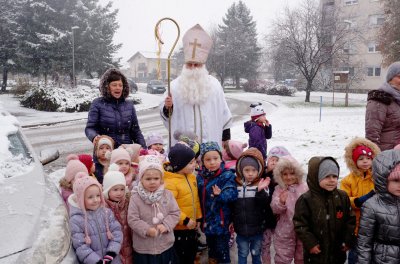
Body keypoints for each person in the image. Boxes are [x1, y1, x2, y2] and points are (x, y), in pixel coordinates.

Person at [160, 24, 232, 148]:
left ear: (203, 66)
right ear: (185, 65)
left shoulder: (214, 85)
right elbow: (165, 115)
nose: (193, 68)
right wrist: (167, 108)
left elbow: (223, 111)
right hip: (183, 146)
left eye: (197, 64)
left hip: (210, 147)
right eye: (190, 64)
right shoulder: (174, 87)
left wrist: (226, 136)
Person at [293, 157, 356, 264]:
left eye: (335, 176)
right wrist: (310, 243)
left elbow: (350, 220)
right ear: (315, 177)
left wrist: (347, 240)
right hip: (316, 254)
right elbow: (300, 224)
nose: (332, 180)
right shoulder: (306, 200)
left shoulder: (342, 197)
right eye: (326, 176)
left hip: (337, 252)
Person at [127, 155, 180, 264]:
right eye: (148, 179)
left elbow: (175, 213)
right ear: (141, 179)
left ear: (161, 179)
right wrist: (146, 229)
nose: (152, 182)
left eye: (156, 178)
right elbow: (132, 219)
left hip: (165, 245)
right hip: (143, 247)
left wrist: (166, 225)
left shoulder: (167, 195)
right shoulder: (135, 198)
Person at [340, 137, 380, 264]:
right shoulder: (348, 180)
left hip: (374, 224)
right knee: (356, 255)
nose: (365, 162)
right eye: (361, 159)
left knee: (373, 254)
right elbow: (344, 199)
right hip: (356, 226)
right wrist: (359, 200)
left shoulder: (377, 177)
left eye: (368, 158)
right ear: (353, 161)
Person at [197, 141, 238, 264]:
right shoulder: (200, 177)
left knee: (223, 251)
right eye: (208, 159)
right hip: (207, 222)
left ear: (221, 158)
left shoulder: (227, 176)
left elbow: (232, 195)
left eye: (215, 158)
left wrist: (220, 195)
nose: (212, 162)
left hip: (222, 223)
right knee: (212, 249)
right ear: (202, 162)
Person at [357, 149, 400, 263]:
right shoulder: (371, 206)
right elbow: (364, 242)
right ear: (383, 179)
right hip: (383, 259)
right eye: (396, 180)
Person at [69, 172, 123, 264]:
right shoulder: (76, 220)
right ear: (80, 198)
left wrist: (111, 253)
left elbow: (117, 232)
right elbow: (80, 245)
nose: (96, 200)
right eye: (90, 197)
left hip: (112, 260)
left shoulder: (106, 213)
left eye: (98, 195)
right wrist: (96, 261)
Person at [85, 68, 146, 149]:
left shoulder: (129, 105)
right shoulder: (97, 103)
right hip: (105, 152)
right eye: (114, 85)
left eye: (120, 85)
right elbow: (90, 128)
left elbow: (135, 131)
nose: (118, 88)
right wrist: (94, 137)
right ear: (107, 87)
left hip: (126, 153)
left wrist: (143, 149)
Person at [231, 147, 271, 264]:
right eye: (247, 170)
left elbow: (264, 204)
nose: (250, 173)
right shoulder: (236, 185)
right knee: (242, 253)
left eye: (253, 170)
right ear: (240, 170)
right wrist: (231, 220)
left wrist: (260, 191)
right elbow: (233, 206)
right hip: (241, 230)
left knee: (256, 253)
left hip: (257, 230)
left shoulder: (261, 185)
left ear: (258, 170)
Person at [163, 143, 202, 264]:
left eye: (195, 161)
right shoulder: (170, 182)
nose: (194, 165)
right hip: (179, 228)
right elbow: (169, 206)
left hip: (192, 226)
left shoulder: (191, 177)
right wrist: (184, 220)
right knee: (181, 257)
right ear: (180, 164)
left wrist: (198, 218)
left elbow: (195, 200)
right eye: (191, 163)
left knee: (191, 252)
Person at [271, 156, 308, 264]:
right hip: (284, 230)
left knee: (302, 257)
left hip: (303, 229)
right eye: (285, 174)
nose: (289, 177)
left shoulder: (305, 187)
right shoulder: (279, 189)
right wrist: (281, 202)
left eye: (292, 173)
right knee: (283, 258)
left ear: (298, 174)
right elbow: (274, 208)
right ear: (280, 175)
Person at [261, 146, 290, 264]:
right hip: (265, 218)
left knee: (280, 244)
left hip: (278, 219)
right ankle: (266, 262)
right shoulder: (262, 175)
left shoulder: (283, 179)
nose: (274, 162)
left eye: (277, 160)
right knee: (265, 245)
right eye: (272, 159)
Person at [365, 61, 400, 151]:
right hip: (387, 156)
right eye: (399, 77)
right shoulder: (379, 99)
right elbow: (372, 134)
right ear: (390, 78)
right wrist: (376, 156)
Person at [102, 163, 133, 264]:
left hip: (129, 244)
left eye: (122, 189)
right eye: (115, 189)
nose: (119, 193)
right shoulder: (103, 208)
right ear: (107, 190)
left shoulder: (128, 203)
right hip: (114, 248)